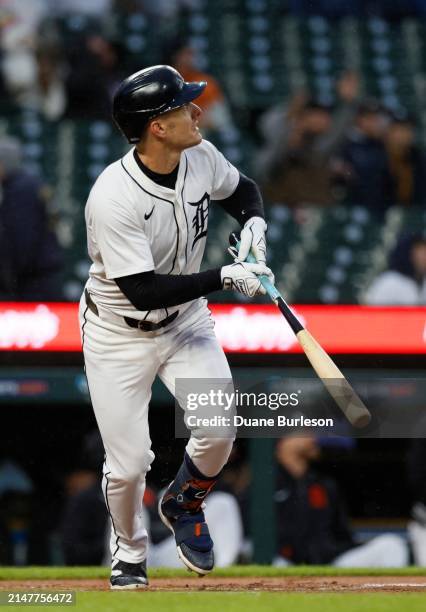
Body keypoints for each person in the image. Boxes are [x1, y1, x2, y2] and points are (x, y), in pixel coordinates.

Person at [79, 64, 272, 589]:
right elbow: (142, 289)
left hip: (185, 322)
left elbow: (244, 191)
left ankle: (182, 503)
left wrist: (252, 223)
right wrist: (225, 275)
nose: (197, 109)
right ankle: (129, 549)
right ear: (157, 127)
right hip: (119, 330)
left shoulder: (200, 155)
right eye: (183, 105)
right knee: (128, 465)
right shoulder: (113, 195)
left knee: (219, 429)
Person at [274, 435, 408, 567]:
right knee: (275, 562)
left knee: (392, 545)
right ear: (283, 442)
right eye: (303, 433)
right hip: (286, 563)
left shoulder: (322, 483)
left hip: (332, 561)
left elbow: (342, 533)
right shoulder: (266, 484)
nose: (312, 439)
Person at [256, 71, 360, 207]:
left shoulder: (319, 146)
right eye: (317, 114)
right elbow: (264, 168)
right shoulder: (279, 140)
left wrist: (349, 103)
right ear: (304, 116)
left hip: (316, 210)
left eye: (325, 115)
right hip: (280, 208)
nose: (323, 120)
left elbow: (334, 136)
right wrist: (291, 119)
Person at [0, 137, 63, 300]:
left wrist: (11, 279)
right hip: (42, 274)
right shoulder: (29, 183)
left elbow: (23, 240)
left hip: (34, 280)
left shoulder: (20, 189)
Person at [364, 232, 426, 305]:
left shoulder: (422, 283)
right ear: (407, 254)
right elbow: (373, 314)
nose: (424, 257)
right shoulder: (389, 282)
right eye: (421, 252)